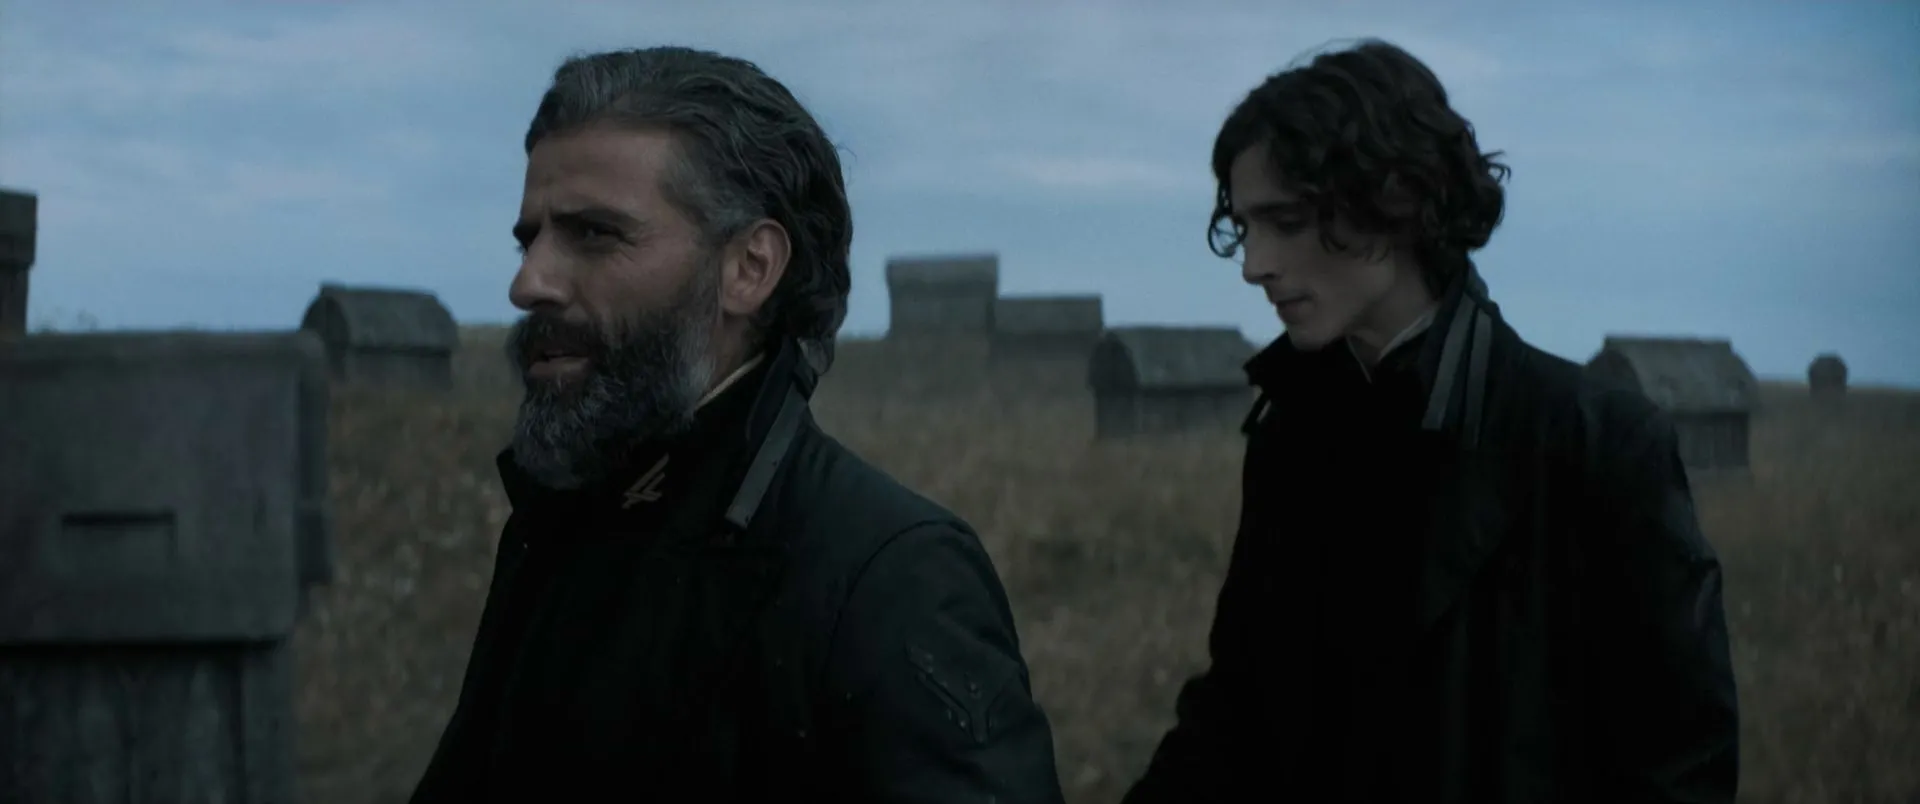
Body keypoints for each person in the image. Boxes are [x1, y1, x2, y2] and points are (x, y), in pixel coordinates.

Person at [410, 47, 1064, 803]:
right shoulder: (558, 526)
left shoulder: (890, 577)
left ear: (749, 268)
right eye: (531, 240)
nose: (529, 283)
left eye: (594, 234)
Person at [1123, 40, 1740, 803]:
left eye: (1285, 221)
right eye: (1245, 227)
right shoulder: (1291, 435)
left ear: (1394, 200)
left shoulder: (1597, 443)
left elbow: (1679, 765)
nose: (1255, 265)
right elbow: (1237, 718)